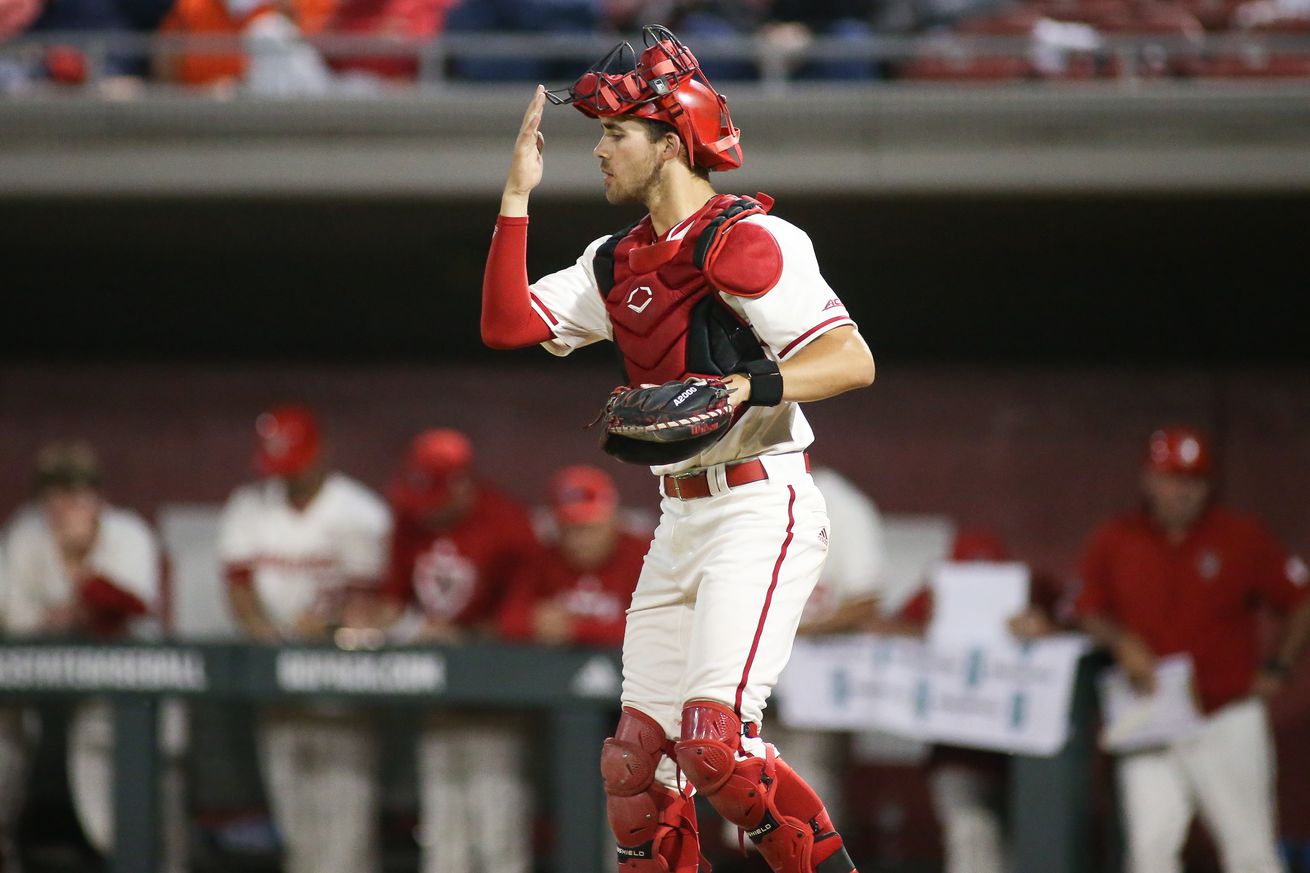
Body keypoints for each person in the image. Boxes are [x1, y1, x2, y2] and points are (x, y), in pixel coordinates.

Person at [479, 25, 875, 873]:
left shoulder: (746, 238)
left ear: (670, 142)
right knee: (634, 766)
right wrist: (515, 196)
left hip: (759, 504)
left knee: (716, 745)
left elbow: (851, 360)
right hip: (678, 518)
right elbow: (506, 322)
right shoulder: (615, 259)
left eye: (616, 134)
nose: (600, 151)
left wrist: (746, 386)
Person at [1075, 425, 1310, 873]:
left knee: (1250, 853)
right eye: (1171, 478)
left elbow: (1300, 600)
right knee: (1149, 855)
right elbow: (1088, 609)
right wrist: (1122, 640)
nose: (1182, 492)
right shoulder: (1116, 538)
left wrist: (1279, 665)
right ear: (1148, 478)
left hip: (1222, 711)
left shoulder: (1239, 537)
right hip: (1148, 714)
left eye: (1193, 481)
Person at [217, 405, 391, 873]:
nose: (287, 475)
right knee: (293, 824)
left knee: (345, 829)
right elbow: (238, 586)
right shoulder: (250, 506)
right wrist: (267, 636)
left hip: (344, 685)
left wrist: (331, 625)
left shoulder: (360, 511)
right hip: (279, 683)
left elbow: (374, 603)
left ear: (320, 453)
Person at [1, 441, 186, 873]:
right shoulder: (25, 535)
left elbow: (122, 610)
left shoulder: (127, 533)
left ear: (97, 497)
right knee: (103, 827)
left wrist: (80, 567)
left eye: (76, 495)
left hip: (140, 694)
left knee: (156, 829)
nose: (64, 508)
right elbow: (16, 622)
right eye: (54, 496)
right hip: (81, 695)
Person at [376, 427, 537, 873]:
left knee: (497, 831)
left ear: (463, 485)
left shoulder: (506, 523)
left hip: (496, 700)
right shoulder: (409, 521)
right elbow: (392, 600)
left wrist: (469, 640)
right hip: (434, 700)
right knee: (443, 837)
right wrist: (405, 627)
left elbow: (524, 619)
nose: (425, 512)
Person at [887, 529, 1059, 873]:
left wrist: (1044, 630)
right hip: (956, 749)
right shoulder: (936, 594)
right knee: (969, 832)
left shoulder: (1032, 591)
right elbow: (885, 628)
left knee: (1024, 840)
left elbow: (1076, 628)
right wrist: (928, 630)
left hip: (1022, 754)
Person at [498, 464, 646, 649]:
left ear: (613, 519)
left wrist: (577, 628)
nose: (580, 541)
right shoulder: (543, 558)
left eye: (590, 528)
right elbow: (509, 621)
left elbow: (654, 629)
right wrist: (534, 623)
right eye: (570, 529)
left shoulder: (642, 555)